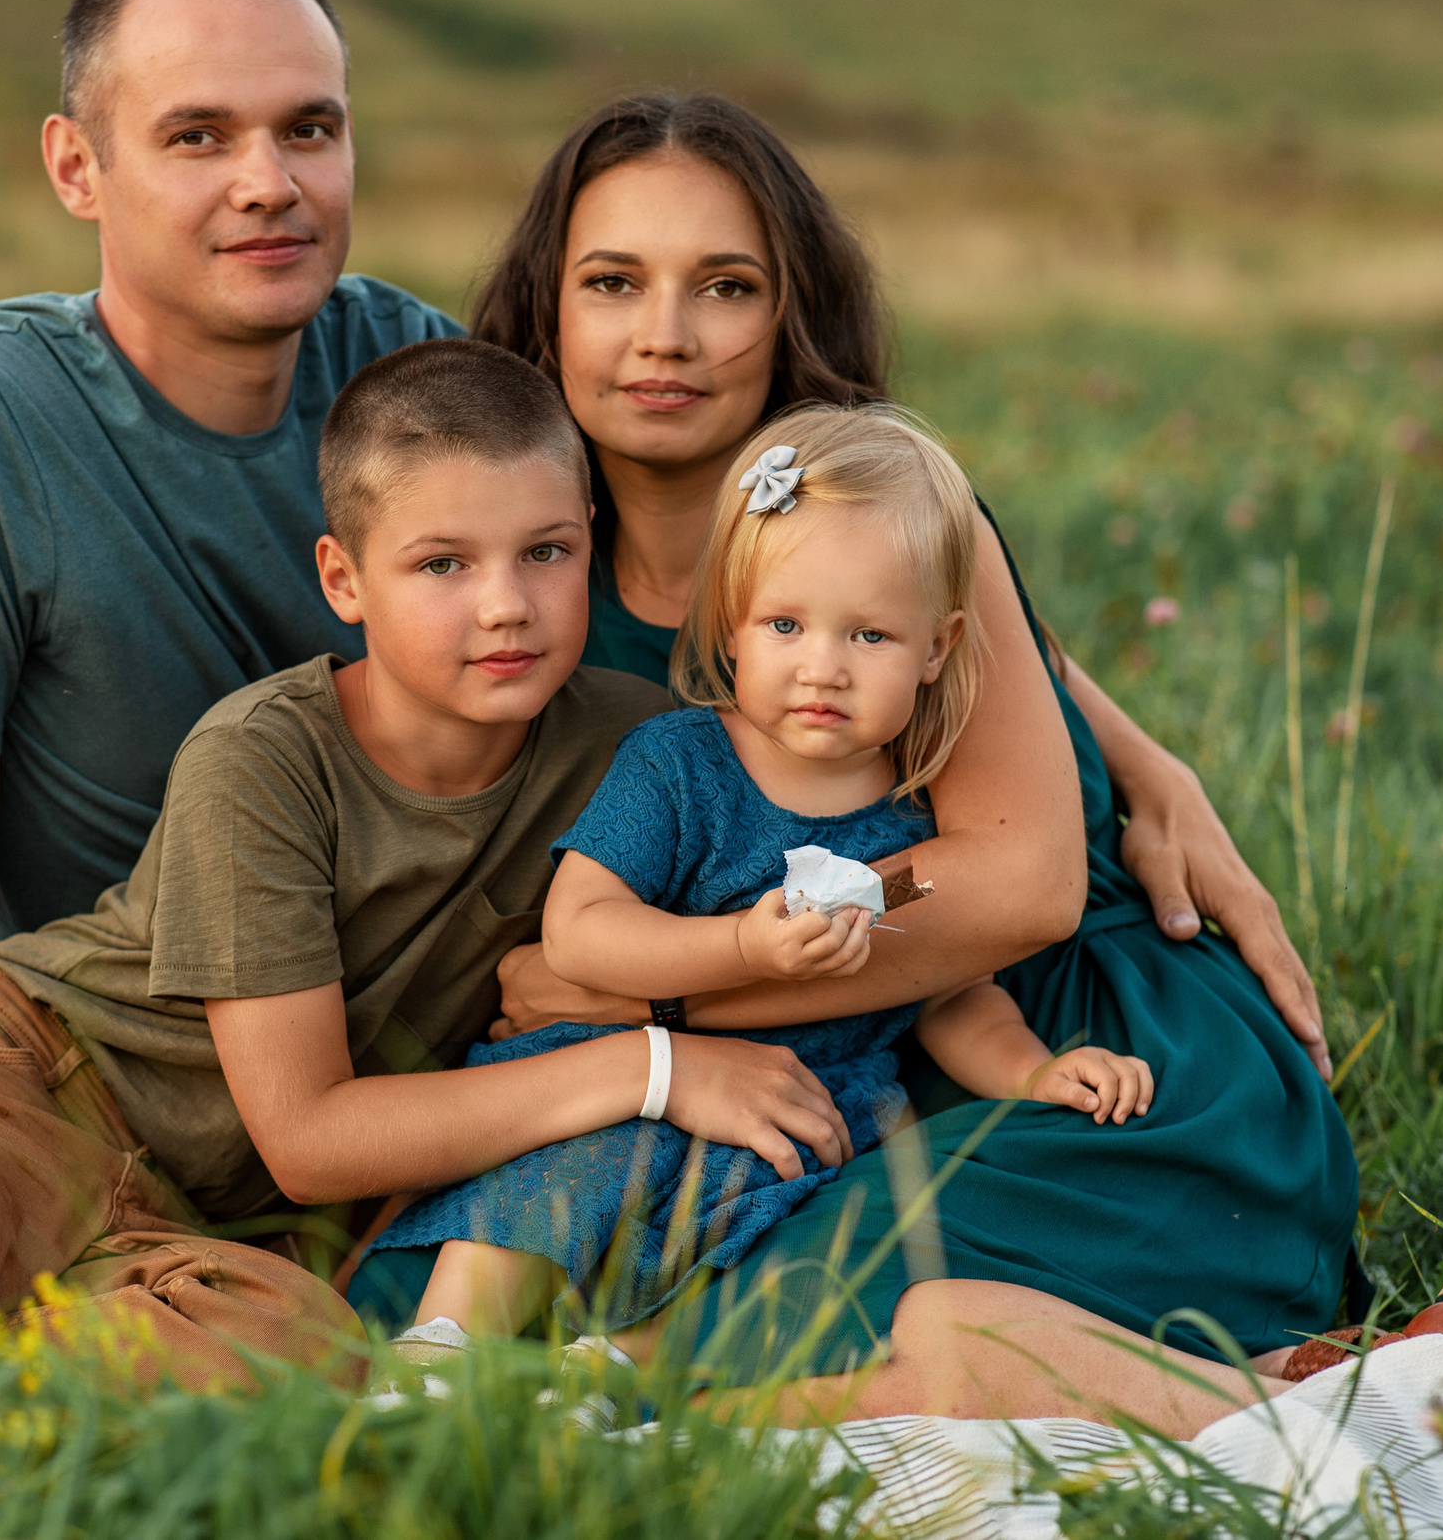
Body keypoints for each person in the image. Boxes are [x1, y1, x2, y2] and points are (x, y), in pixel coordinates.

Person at [0, 338, 876, 1394]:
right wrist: (653, 1067)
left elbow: (809, 857)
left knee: (304, 1364)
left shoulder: (641, 746)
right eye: (442, 563)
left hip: (208, 1226)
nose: (506, 604)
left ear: (590, 539)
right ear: (343, 578)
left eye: (546, 551)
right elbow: (308, 1134)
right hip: (23, 1081)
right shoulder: (262, 756)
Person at [455, 90, 1359, 1402]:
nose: (665, 336)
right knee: (466, 1284)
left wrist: (645, 998)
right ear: (545, 310)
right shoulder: (529, 577)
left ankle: (1284, 1393)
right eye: (611, 282)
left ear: (791, 316)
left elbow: (1016, 888)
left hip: (1077, 1045)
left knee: (764, 1312)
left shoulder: (894, 505)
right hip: (820, 1081)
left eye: (726, 286)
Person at [0, 0, 464, 1092]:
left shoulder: (415, 375)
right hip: (110, 1069)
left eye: (309, 129)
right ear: (76, 168)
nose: (270, 184)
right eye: (197, 137)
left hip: (423, 1057)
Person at [374, 407, 1153, 1355]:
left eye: (869, 635)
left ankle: (619, 1376)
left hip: (802, 1116)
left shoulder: (917, 825)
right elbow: (579, 929)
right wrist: (743, 945)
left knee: (792, 1235)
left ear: (937, 647)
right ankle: (442, 1344)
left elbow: (954, 994)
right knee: (562, 1175)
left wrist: (1032, 1070)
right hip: (635, 1074)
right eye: (785, 624)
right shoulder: (678, 764)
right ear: (732, 628)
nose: (823, 668)